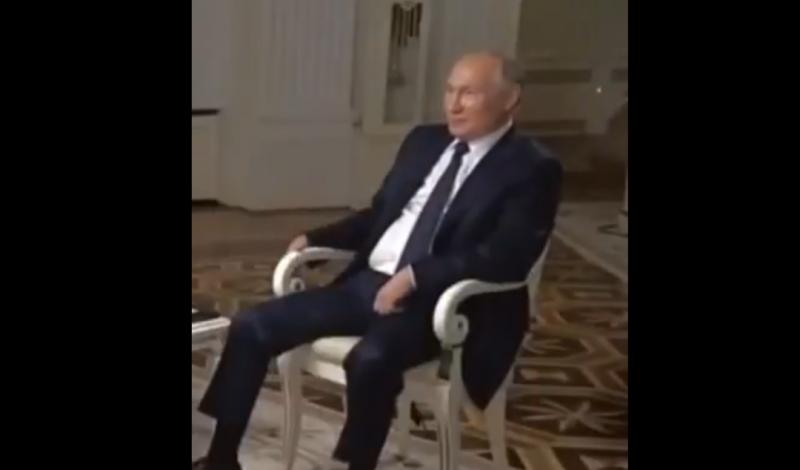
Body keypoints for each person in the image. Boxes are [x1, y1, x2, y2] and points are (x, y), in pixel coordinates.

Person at [193, 51, 562, 470]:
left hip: (442, 306)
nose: (453, 105)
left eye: (469, 94)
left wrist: (416, 276)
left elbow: (507, 256)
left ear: (510, 99)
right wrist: (317, 239)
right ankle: (221, 459)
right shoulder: (425, 142)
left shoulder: (532, 168)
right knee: (251, 326)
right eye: (449, 91)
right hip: (367, 285)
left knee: (370, 360)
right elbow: (380, 216)